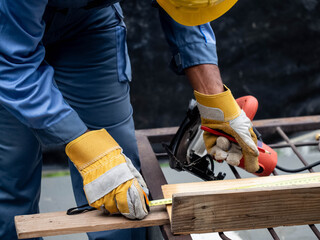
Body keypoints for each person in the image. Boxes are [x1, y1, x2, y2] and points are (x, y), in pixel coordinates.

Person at [0, 0, 258, 240]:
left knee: (123, 183)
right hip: (7, 31)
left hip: (86, 23)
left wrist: (214, 103)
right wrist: (88, 151)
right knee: (11, 184)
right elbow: (9, 60)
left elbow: (184, 9)